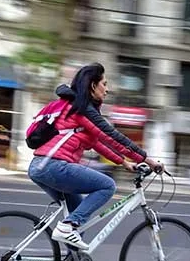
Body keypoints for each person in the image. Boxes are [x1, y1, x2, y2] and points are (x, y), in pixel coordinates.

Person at [28, 62, 162, 250]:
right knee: (107, 186)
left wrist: (124, 162)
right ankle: (66, 227)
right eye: (104, 84)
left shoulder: (72, 107)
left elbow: (97, 143)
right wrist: (147, 159)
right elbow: (112, 137)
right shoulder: (81, 109)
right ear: (93, 85)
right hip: (54, 165)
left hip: (39, 166)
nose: (107, 90)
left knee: (78, 215)